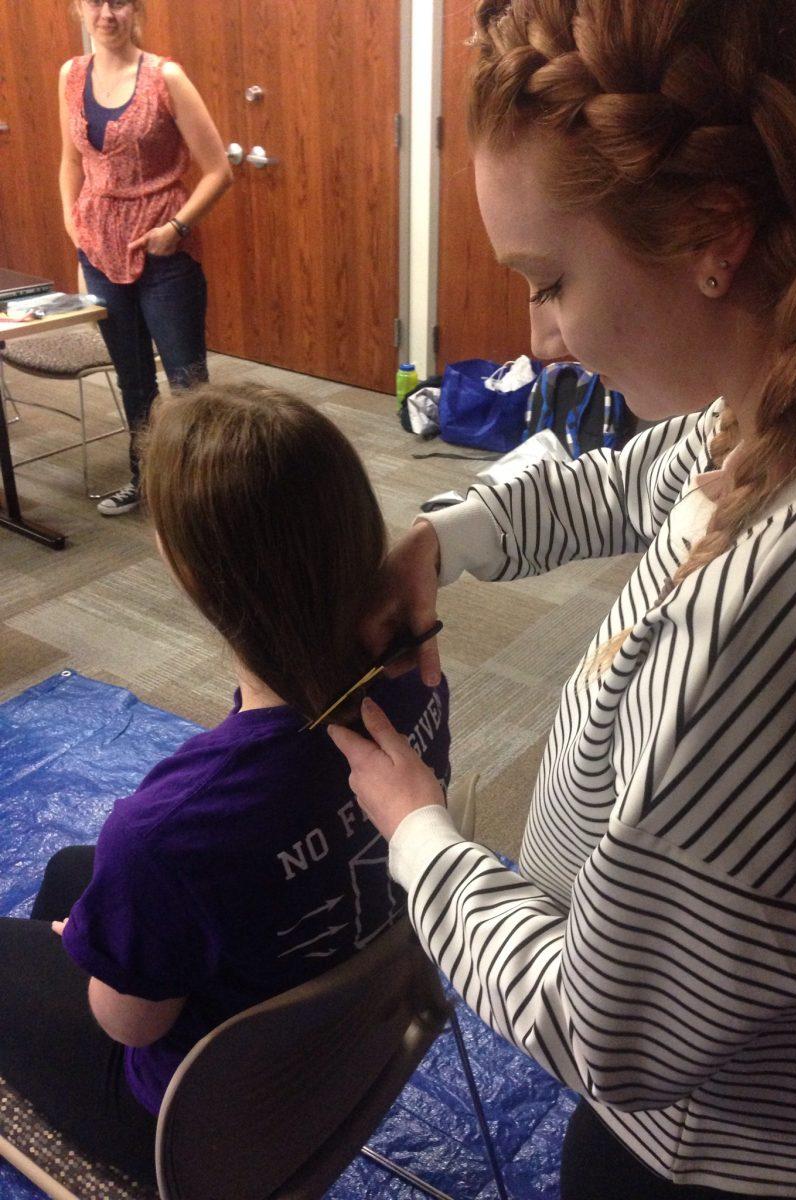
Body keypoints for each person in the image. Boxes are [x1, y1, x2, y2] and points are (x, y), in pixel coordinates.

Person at [328, 1, 796, 1197]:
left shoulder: (763, 628)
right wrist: (447, 536)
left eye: (549, 280)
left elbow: (609, 1031)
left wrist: (416, 831)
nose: (540, 339)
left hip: (716, 1154)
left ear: (713, 230)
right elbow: (653, 473)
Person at [0, 383, 451, 1183]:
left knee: (68, 926)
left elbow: (128, 1025)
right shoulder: (419, 679)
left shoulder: (163, 833)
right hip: (366, 1030)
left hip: (206, 1129)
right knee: (77, 872)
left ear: (190, 574)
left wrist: (85, 952)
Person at [58, 0, 233, 516]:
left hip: (164, 254)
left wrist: (175, 229)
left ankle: (203, 493)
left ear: (136, 10)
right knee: (132, 376)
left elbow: (219, 171)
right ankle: (146, 478)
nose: (106, 13)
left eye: (120, 1)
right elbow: (70, 162)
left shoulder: (165, 77)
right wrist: (72, 219)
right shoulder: (70, 75)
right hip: (98, 249)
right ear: (78, 8)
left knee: (187, 381)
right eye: (95, 1)